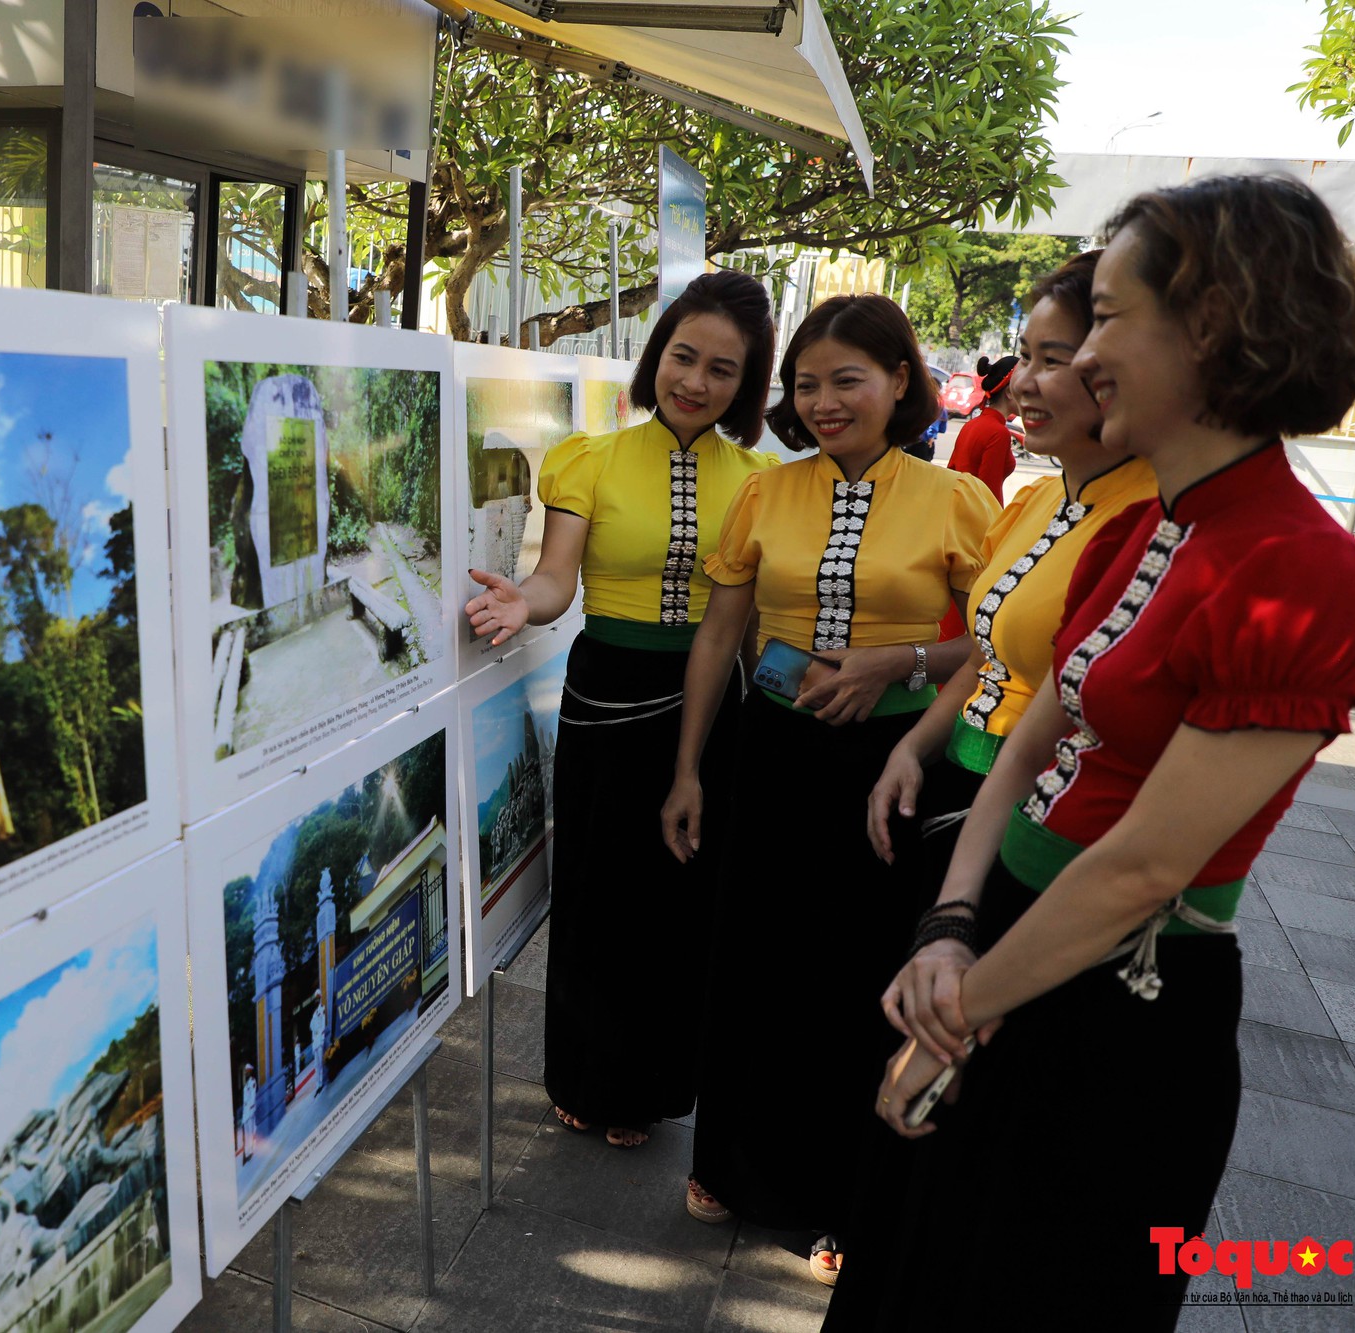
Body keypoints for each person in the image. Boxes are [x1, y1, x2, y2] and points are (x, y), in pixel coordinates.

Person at [833, 175, 1355, 1330]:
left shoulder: (1303, 573)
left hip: (1114, 1015)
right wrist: (947, 923)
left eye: (1106, 317)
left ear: (1216, 326)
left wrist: (953, 1014)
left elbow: (1144, 866)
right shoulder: (1143, 524)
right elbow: (1029, 737)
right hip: (996, 959)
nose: (1079, 356)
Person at [660, 294, 998, 1282]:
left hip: (887, 765)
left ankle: (832, 1197)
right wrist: (686, 766)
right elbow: (720, 633)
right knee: (749, 956)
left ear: (899, 381)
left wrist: (897, 660)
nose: (821, 402)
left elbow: (991, 640)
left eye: (845, 379)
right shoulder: (766, 492)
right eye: (804, 384)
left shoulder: (958, 503)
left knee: (850, 972)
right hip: (767, 752)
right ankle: (725, 1163)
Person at [464, 271, 781, 1149]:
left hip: (718, 704)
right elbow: (556, 580)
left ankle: (661, 1081)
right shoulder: (588, 461)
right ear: (657, 354)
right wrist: (520, 603)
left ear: (746, 383)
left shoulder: (760, 479)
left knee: (688, 898)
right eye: (684, 356)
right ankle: (590, 1077)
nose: (696, 381)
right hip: (608, 695)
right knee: (602, 894)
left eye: (723, 369)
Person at [866, 250, 1157, 893]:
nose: (1024, 382)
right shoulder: (1039, 500)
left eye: (1053, 361)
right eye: (1026, 356)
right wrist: (914, 748)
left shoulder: (1154, 527)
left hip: (1047, 816)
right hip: (955, 775)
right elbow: (984, 656)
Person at [947, 356, 1018, 502]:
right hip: (978, 519)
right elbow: (989, 493)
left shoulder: (971, 425)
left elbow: (951, 473)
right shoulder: (999, 432)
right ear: (1010, 392)